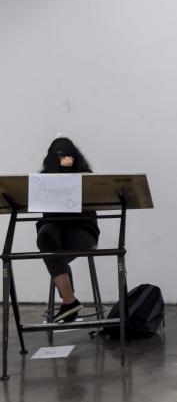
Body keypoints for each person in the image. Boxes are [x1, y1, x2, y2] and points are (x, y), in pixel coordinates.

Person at [36, 136, 99, 323]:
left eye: (67, 155)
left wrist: (67, 174)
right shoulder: (43, 181)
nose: (63, 159)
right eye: (58, 157)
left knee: (54, 255)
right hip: (54, 233)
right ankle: (69, 300)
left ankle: (68, 302)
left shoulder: (85, 176)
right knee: (46, 234)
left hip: (82, 231)